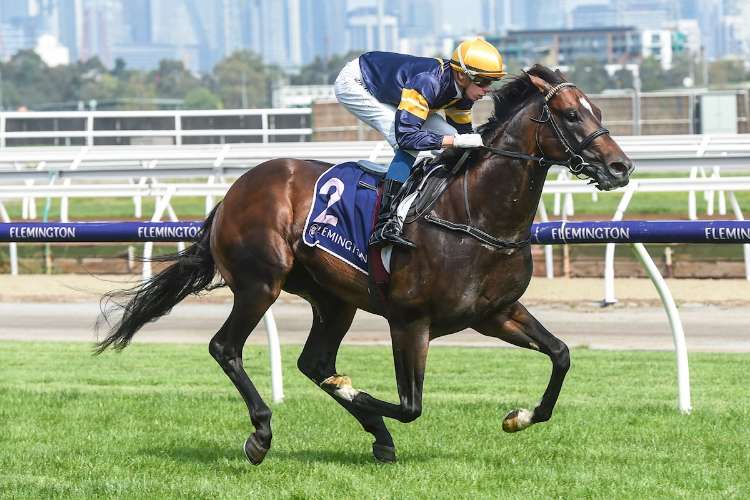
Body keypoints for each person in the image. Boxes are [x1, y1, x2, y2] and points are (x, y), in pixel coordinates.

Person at [334, 38, 506, 249]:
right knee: (408, 147)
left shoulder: (463, 94)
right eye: (483, 82)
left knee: (453, 136)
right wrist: (455, 141)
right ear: (462, 75)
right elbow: (407, 137)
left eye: (491, 82)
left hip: (395, 90)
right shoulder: (428, 83)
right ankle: (385, 222)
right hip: (358, 83)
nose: (487, 89)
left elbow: (462, 134)